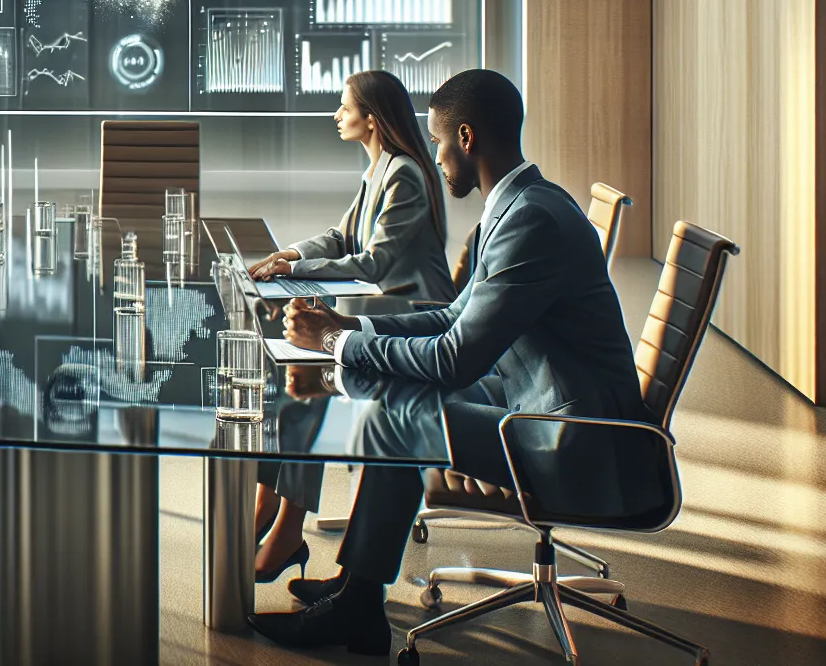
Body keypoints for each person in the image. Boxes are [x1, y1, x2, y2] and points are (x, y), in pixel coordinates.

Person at [248, 70, 648, 656]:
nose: (434, 157)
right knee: (394, 402)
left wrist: (335, 342)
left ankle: (358, 606)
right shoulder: (520, 205)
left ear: (466, 137)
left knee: (398, 419)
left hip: (572, 440)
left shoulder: (530, 220)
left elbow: (455, 358)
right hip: (533, 401)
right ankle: (357, 590)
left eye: (438, 141)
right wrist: (352, 330)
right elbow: (453, 315)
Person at [243, 71, 455, 583]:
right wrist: (290, 254)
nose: (337, 115)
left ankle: (286, 528)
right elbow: (342, 238)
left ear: (372, 118)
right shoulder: (379, 168)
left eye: (345, 107)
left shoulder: (404, 174)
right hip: (385, 309)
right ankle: (269, 507)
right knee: (290, 377)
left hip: (413, 319)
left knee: (306, 387)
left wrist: (296, 270)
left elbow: (375, 262)